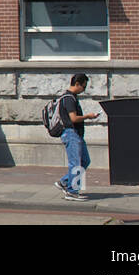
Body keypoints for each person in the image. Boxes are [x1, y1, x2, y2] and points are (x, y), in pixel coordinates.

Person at [55, 73, 100, 201]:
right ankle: (72, 192)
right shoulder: (69, 98)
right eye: (84, 87)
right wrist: (88, 116)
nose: (84, 90)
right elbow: (73, 118)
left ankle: (64, 182)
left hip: (76, 134)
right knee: (76, 163)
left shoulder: (72, 97)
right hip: (71, 133)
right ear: (77, 84)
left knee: (85, 161)